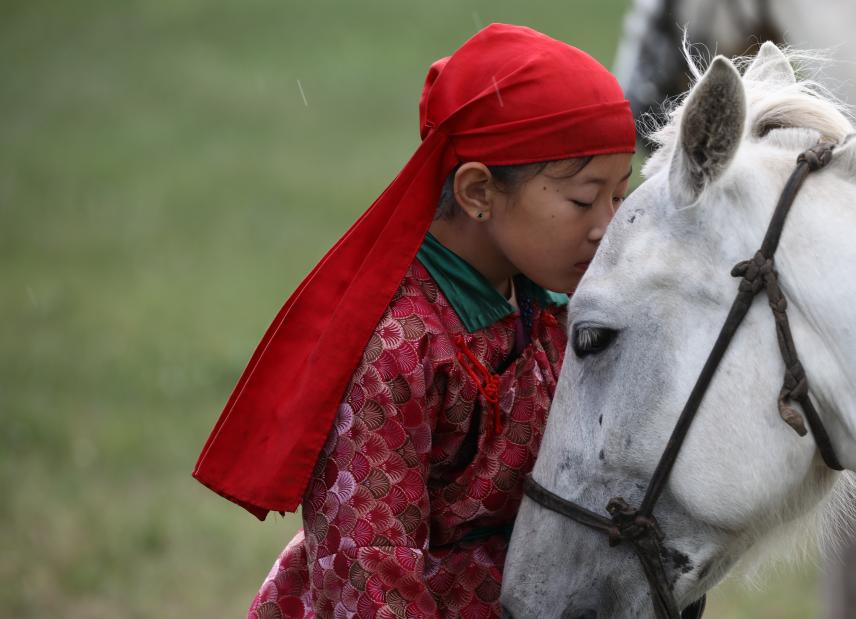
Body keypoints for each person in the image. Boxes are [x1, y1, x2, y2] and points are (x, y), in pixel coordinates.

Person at [192, 24, 636, 618]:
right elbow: (369, 558)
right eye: (584, 200)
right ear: (479, 192)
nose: (607, 225)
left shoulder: (561, 309)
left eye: (620, 196)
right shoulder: (397, 346)